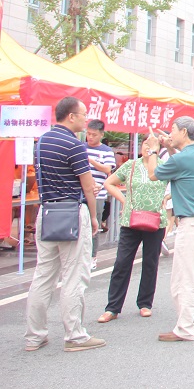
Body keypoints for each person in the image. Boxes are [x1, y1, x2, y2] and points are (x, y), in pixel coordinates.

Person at [24, 96, 106, 353]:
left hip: (47, 211)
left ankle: (34, 336)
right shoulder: (74, 145)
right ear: (71, 116)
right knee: (74, 276)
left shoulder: (42, 142)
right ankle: (75, 335)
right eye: (83, 114)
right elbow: (88, 186)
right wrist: (93, 217)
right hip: (72, 212)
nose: (86, 119)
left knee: (43, 276)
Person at [141, 116, 194, 342]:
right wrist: (170, 147)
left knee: (184, 278)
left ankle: (184, 327)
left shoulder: (181, 158)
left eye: (173, 130)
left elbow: (153, 174)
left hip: (192, 223)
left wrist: (154, 149)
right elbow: (182, 163)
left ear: (184, 132)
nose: (170, 133)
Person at [98, 147, 171, 322]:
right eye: (145, 145)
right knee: (122, 262)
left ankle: (145, 303)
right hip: (131, 220)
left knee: (150, 262)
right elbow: (109, 183)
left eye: (152, 146)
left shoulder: (163, 166)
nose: (148, 149)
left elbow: (180, 184)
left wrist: (167, 198)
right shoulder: (131, 165)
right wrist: (124, 200)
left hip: (155, 220)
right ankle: (112, 307)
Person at [85, 119, 116, 267]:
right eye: (88, 134)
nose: (90, 137)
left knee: (94, 225)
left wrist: (91, 160)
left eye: (94, 135)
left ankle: (92, 256)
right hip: (81, 193)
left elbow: (107, 169)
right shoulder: (81, 147)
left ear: (101, 135)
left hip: (98, 194)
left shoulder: (106, 151)